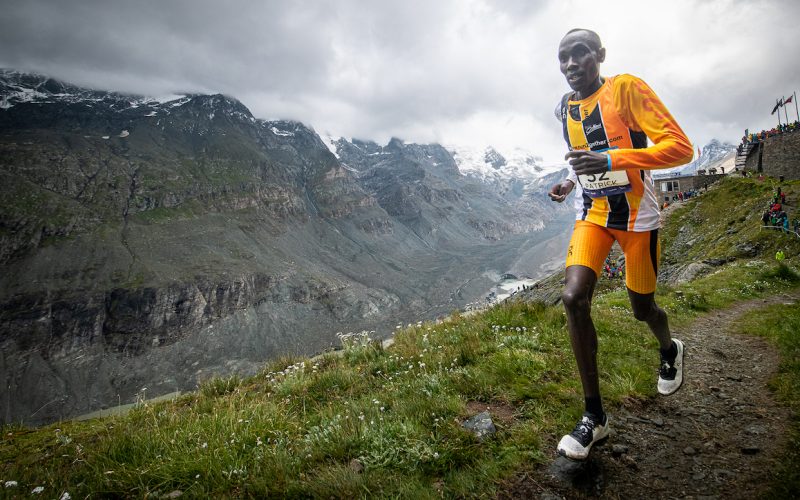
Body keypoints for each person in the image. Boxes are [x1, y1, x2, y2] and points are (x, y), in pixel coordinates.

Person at [549, 28, 692, 460]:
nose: (571, 64)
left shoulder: (626, 89)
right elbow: (582, 155)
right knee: (573, 298)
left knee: (641, 308)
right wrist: (569, 181)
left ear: (601, 55)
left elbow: (680, 148)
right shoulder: (565, 107)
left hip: (636, 219)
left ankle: (670, 348)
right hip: (592, 215)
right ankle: (595, 417)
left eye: (580, 54)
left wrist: (613, 160)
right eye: (563, 58)